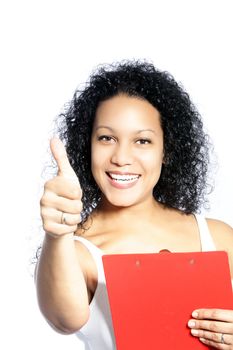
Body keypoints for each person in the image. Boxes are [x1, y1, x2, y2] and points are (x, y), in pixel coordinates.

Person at [36, 60, 233, 349]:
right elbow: (63, 319)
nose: (121, 157)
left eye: (142, 141)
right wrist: (56, 234)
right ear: (87, 145)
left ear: (167, 150)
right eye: (107, 138)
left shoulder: (218, 237)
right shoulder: (76, 251)